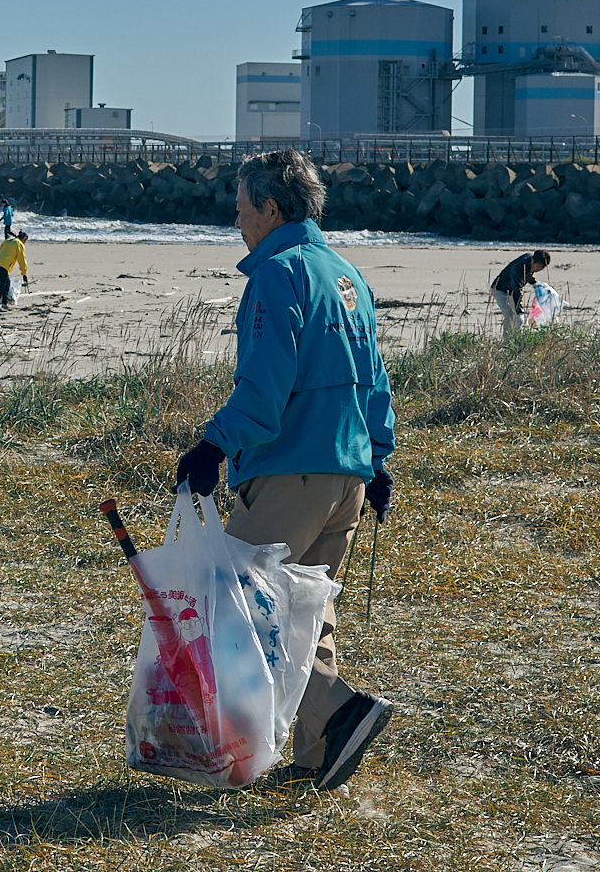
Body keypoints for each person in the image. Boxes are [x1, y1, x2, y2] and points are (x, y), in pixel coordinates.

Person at [172, 149, 395, 792]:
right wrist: (376, 461)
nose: (235, 219)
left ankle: (340, 708)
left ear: (271, 209)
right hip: (347, 475)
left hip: (292, 473)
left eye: (241, 208)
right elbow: (375, 383)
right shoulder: (347, 274)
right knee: (308, 614)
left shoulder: (278, 276)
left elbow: (264, 392)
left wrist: (212, 447)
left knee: (228, 605)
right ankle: (317, 754)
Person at [492, 249, 552, 334]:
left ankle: (517, 339)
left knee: (516, 319)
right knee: (510, 315)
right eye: (538, 267)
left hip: (511, 290)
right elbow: (516, 288)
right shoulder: (520, 267)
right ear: (532, 261)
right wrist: (519, 311)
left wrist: (535, 283)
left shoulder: (530, 261)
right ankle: (506, 342)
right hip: (500, 289)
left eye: (542, 268)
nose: (539, 269)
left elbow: (528, 273)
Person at [0, 230, 29, 310]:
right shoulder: (19, 244)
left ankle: (4, 303)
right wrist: (24, 273)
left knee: (7, 283)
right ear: (23, 239)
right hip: (3, 266)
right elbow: (22, 259)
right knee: (2, 285)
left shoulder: (8, 241)